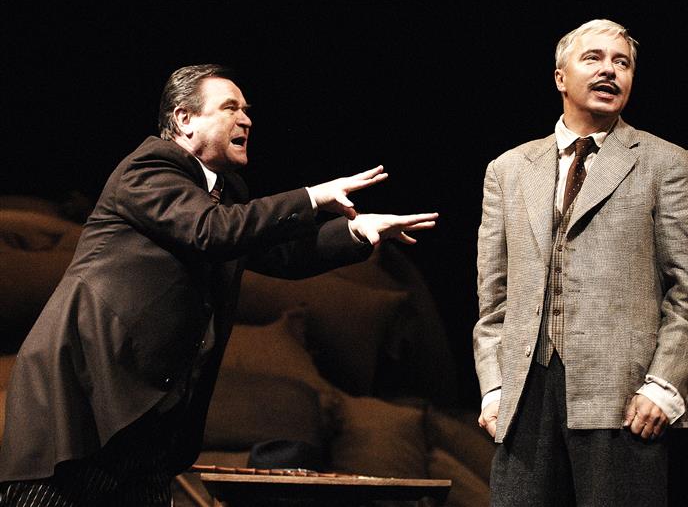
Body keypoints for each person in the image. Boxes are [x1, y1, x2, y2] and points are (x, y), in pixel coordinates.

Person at [0, 64, 437, 506]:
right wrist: (311, 196)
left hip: (145, 420)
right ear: (184, 119)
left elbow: (279, 253)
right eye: (230, 108)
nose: (246, 119)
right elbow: (211, 230)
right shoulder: (149, 168)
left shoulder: (226, 195)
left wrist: (357, 232)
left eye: (246, 110)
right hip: (84, 404)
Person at [473, 19, 688, 506]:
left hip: (622, 401)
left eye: (622, 63)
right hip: (524, 399)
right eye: (594, 58)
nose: (610, 71)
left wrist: (664, 385)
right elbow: (493, 297)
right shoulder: (509, 169)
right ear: (560, 78)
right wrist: (494, 387)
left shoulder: (666, 163)